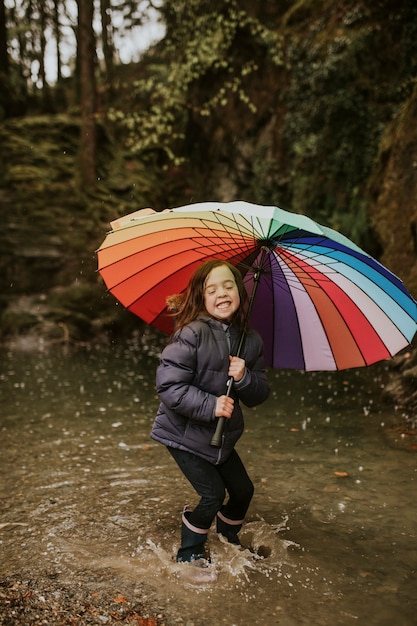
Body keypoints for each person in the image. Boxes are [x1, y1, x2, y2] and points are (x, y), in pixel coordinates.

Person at [151, 260, 270, 566]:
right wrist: (211, 405)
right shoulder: (192, 333)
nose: (222, 293)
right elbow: (169, 386)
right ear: (201, 297)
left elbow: (260, 394)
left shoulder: (251, 340)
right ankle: (189, 555)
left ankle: (228, 539)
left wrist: (245, 378)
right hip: (182, 433)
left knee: (243, 490)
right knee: (212, 494)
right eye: (212, 289)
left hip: (221, 436)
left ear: (241, 293)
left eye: (229, 286)